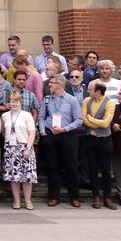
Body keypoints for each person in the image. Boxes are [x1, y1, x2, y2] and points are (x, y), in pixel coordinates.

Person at [40, 76, 83, 207]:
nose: (49, 85)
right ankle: (53, 196)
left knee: (71, 166)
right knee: (52, 166)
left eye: (52, 83)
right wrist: (42, 131)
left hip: (66, 135)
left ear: (59, 84)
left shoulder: (72, 100)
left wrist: (64, 129)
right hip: (50, 135)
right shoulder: (47, 99)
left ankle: (74, 197)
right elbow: (41, 117)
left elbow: (79, 120)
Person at [82, 83, 116, 209]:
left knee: (106, 170)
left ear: (98, 91)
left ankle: (107, 197)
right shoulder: (87, 101)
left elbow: (106, 123)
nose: (88, 91)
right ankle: (96, 196)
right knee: (92, 169)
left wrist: (91, 120)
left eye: (91, 90)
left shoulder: (109, 103)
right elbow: (84, 119)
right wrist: (96, 122)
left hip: (104, 139)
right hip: (90, 139)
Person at [2, 92, 38, 210]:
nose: (14, 104)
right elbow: (3, 131)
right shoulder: (5, 116)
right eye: (12, 101)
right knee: (14, 177)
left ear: (20, 102)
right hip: (11, 148)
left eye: (16, 101)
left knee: (27, 177)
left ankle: (28, 201)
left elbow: (32, 132)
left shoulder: (27, 115)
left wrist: (28, 148)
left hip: (24, 147)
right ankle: (16, 200)